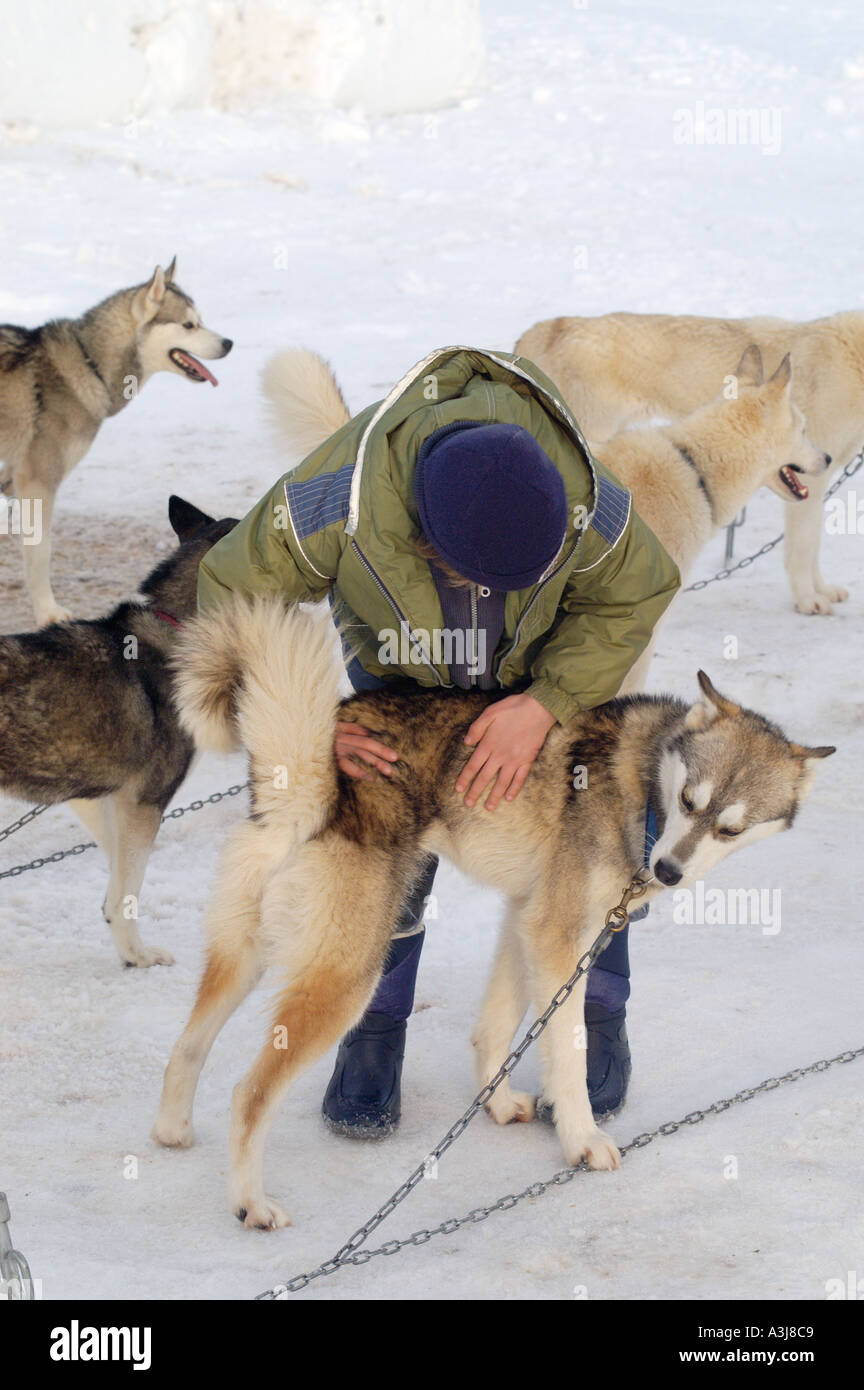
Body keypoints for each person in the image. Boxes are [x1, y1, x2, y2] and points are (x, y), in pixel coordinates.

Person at [198, 346, 680, 1138]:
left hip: (545, 691)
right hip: (407, 691)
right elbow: (226, 600)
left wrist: (547, 701)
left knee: (605, 843)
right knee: (388, 839)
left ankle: (600, 1008)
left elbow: (641, 589)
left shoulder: (586, 495)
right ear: (423, 536)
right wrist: (308, 730)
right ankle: (377, 1026)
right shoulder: (339, 498)